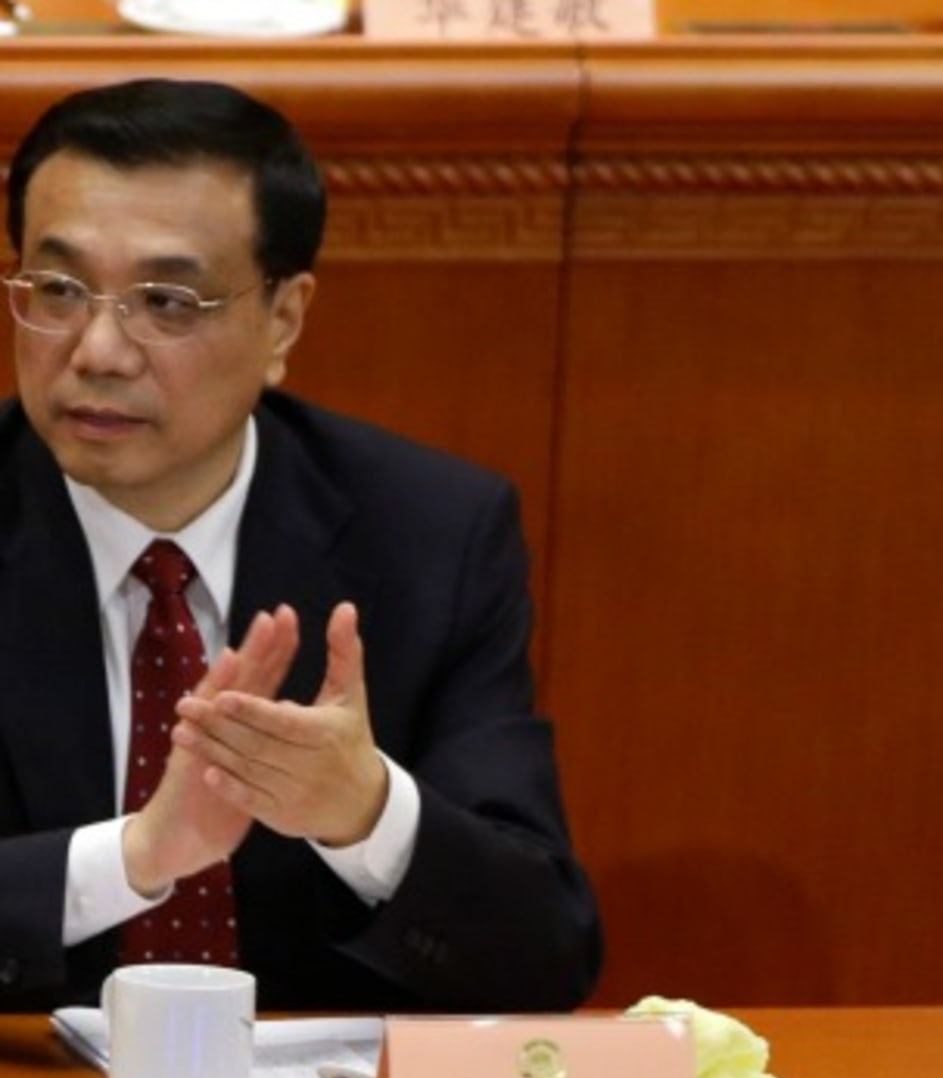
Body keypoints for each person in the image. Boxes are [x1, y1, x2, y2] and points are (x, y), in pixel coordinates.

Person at [0, 78, 602, 1012]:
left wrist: (367, 814)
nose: (99, 351)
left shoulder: (432, 536)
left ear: (283, 318)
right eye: (60, 289)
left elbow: (544, 953)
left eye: (166, 301)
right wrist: (133, 858)